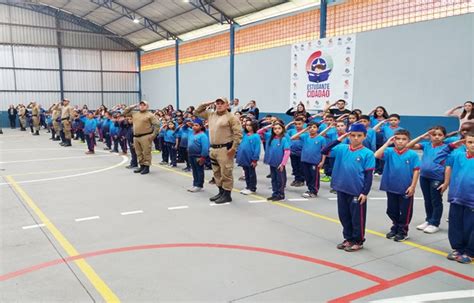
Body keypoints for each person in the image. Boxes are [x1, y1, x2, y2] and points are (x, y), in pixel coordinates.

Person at [322, 123, 375, 252]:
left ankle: (358, 240)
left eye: (359, 136)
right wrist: (338, 139)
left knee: (357, 217)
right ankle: (348, 238)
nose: (355, 138)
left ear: (364, 136)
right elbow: (324, 151)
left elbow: (369, 175)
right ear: (348, 135)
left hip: (357, 190)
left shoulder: (367, 153)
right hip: (341, 187)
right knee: (344, 215)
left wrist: (365, 192)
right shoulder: (341, 148)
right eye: (352, 135)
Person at [375, 130, 420, 242]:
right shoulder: (389, 151)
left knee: (405, 211)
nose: (400, 141)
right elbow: (376, 155)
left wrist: (413, 186)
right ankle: (395, 226)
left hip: (405, 188)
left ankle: (403, 231)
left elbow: (416, 171)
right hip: (391, 186)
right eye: (398, 139)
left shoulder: (412, 154)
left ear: (408, 141)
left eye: (403, 139)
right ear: (394, 140)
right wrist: (386, 143)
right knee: (391, 210)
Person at [195, 98, 242, 203]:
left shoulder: (231, 117)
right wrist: (205, 103)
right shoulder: (211, 115)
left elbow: (238, 134)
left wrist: (234, 148)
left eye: (222, 103)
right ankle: (221, 192)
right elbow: (196, 112)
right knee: (216, 172)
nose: (219, 105)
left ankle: (227, 194)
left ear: (227, 105)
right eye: (218, 103)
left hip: (225, 149)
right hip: (213, 148)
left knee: (226, 172)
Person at [437, 133, 474, 264]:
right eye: (470, 142)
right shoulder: (458, 155)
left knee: (471, 227)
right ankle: (458, 248)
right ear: (465, 143)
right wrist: (452, 146)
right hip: (457, 197)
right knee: (456, 225)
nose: (473, 145)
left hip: (472, 201)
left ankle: (470, 252)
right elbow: (439, 157)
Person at [407, 126, 447, 234]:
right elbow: (409, 146)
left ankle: (435, 223)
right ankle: (429, 220)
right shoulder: (426, 145)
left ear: (444, 136)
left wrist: (446, 182)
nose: (437, 137)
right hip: (424, 176)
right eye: (434, 135)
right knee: (427, 200)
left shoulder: (446, 148)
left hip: (437, 178)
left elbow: (449, 166)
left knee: (436, 200)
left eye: (440, 135)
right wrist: (421, 136)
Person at [123, 101, 161, 175]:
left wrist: (153, 135)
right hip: (136, 136)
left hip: (146, 136)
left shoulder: (150, 115)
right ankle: (142, 166)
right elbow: (124, 113)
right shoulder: (135, 113)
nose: (142, 106)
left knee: (146, 152)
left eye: (144, 105)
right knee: (138, 153)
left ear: (147, 106)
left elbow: (157, 125)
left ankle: (146, 167)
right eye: (140, 105)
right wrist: (133, 106)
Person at [290, 122, 327, 198]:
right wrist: (304, 130)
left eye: (314, 127)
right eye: (310, 127)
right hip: (305, 160)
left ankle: (314, 191)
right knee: (307, 176)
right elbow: (293, 138)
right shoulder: (305, 136)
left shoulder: (321, 139)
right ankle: (310, 189)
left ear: (317, 129)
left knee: (314, 177)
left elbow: (324, 151)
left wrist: (322, 161)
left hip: (315, 162)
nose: (312, 129)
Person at [258, 121, 291, 201]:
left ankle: (280, 194)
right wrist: (269, 126)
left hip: (280, 164)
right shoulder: (270, 138)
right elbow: (259, 132)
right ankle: (275, 193)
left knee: (280, 180)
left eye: (279, 128)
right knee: (274, 179)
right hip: (272, 163)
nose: (277, 130)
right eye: (275, 128)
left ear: (282, 129)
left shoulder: (283, 139)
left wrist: (283, 163)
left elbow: (287, 152)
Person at [237, 119, 261, 195]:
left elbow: (257, 148)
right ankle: (248, 186)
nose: (248, 127)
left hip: (250, 158)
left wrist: (255, 159)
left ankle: (252, 188)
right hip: (244, 158)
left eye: (250, 125)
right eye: (246, 125)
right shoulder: (246, 135)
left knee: (251, 173)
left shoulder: (256, 136)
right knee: (246, 173)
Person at [286, 117, 306, 187]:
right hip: (293, 152)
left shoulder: (306, 132)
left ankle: (301, 180)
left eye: (299, 124)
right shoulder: (292, 131)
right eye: (296, 124)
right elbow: (284, 131)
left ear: (303, 124)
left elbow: (296, 138)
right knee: (295, 167)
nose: (297, 125)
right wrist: (290, 123)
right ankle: (296, 179)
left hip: (301, 152)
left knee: (301, 167)